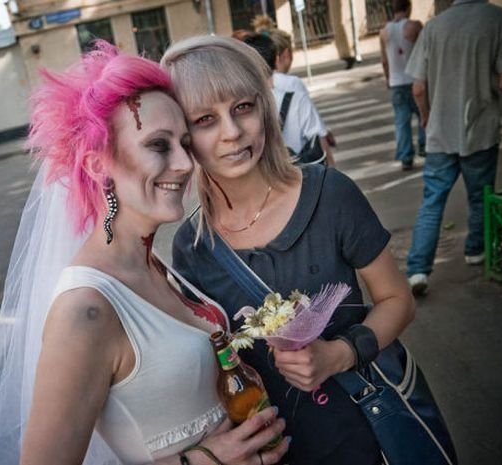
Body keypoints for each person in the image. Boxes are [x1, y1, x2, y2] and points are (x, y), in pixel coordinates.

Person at [0, 41, 289, 465]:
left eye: (184, 142)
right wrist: (201, 461)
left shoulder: (151, 262)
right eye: (159, 146)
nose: (184, 164)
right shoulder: (85, 310)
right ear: (96, 167)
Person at [162, 35, 416, 465]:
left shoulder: (330, 194)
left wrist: (340, 354)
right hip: (275, 448)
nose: (233, 131)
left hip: (364, 431)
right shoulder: (192, 247)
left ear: (264, 106)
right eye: (205, 119)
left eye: (243, 107)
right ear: (182, 136)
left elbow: (399, 300)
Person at [404, 0, 502, 295]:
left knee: (432, 201)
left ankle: (418, 271)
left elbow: (417, 88)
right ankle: (475, 250)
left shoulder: (433, 28)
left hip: (441, 131)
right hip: (480, 129)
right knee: (480, 196)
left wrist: (427, 116)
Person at [249, 17, 336, 165]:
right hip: (297, 169)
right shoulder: (293, 86)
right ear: (277, 58)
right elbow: (316, 134)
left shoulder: (243, 102)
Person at [379, 0, 425, 171]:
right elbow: (425, 52)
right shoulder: (415, 27)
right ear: (409, 7)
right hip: (415, 79)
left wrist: (388, 79)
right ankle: (424, 146)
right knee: (422, 115)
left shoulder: (384, 32)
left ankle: (406, 157)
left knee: (401, 121)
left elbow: (384, 60)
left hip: (397, 82)